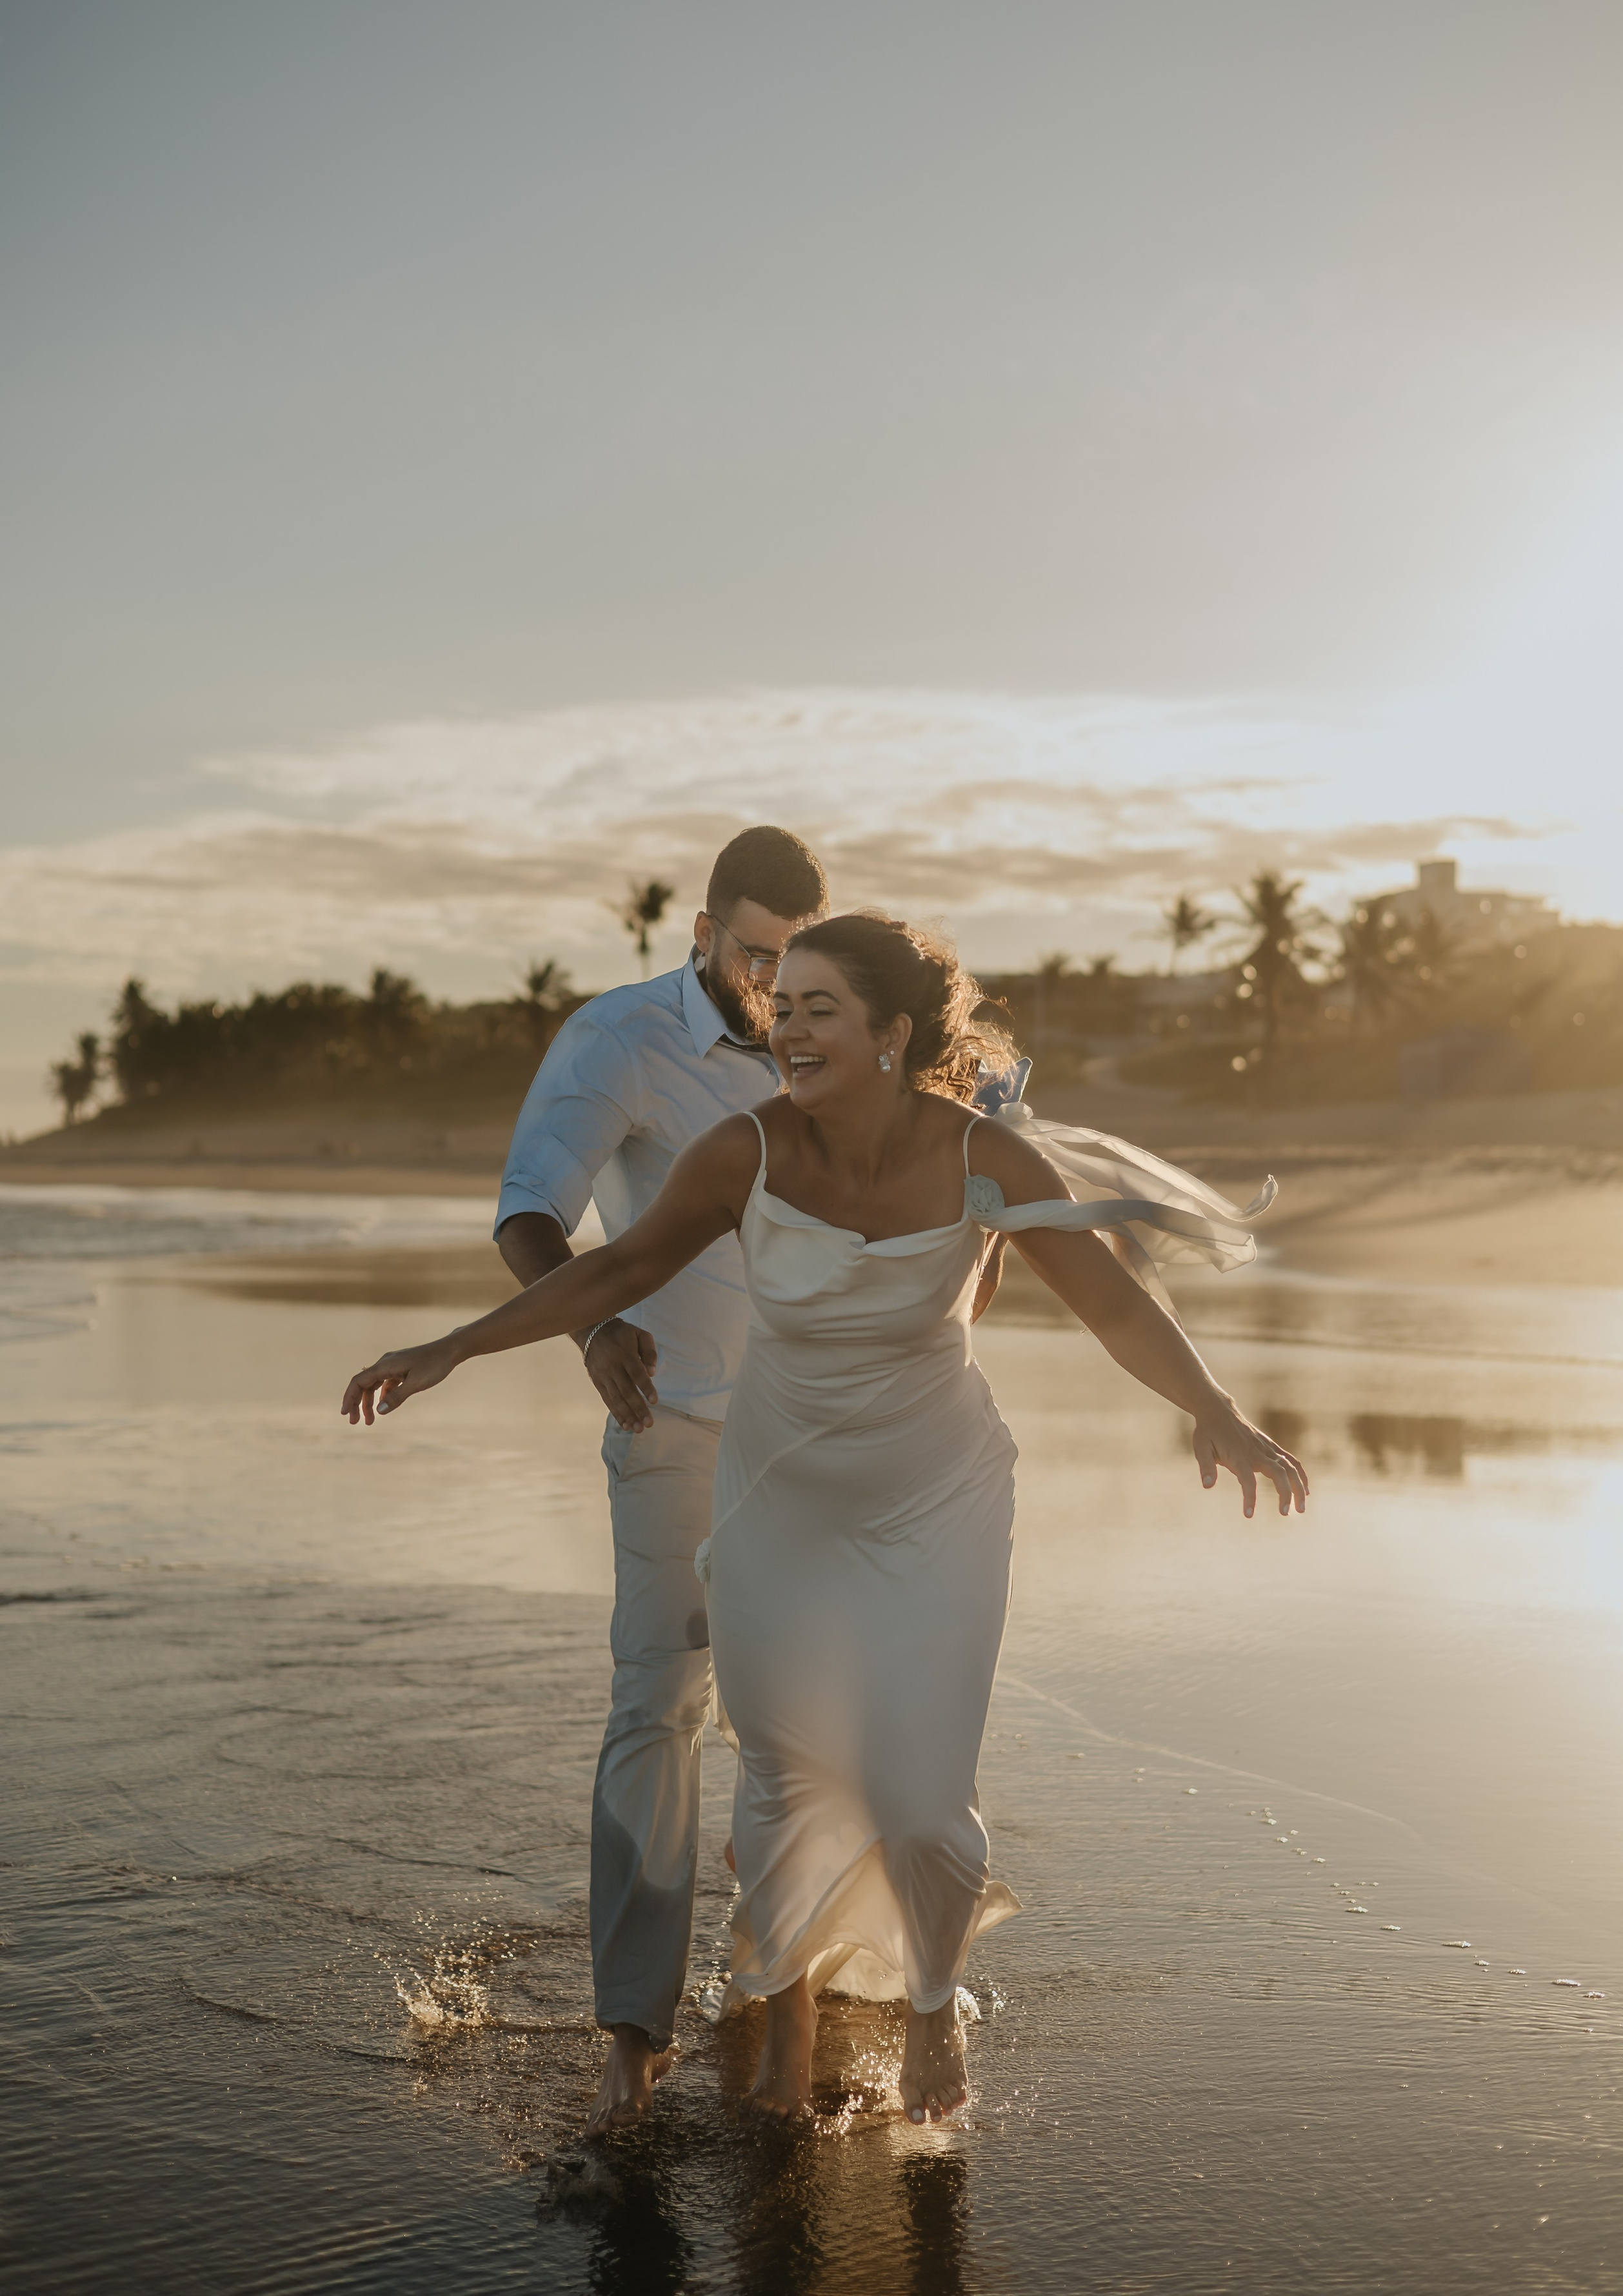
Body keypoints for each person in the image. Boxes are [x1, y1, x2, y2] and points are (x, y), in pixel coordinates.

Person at [344, 912, 1306, 2129]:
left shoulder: (985, 1161)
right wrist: (453, 1347)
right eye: (779, 1007)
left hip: (936, 1496)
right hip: (778, 1500)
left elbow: (1111, 1303)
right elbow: (614, 1269)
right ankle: (786, 2049)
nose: (786, 1031)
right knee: (789, 1780)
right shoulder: (743, 1150)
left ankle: (928, 2001)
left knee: (917, 1792)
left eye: (817, 1011)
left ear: (893, 1036)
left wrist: (1214, 1409)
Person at [492, 824, 829, 2131]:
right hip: (673, 1425)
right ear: (700, 933)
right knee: (658, 1709)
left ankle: (778, 1988)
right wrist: (588, 1324)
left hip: (821, 1442)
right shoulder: (617, 1039)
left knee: (808, 1724)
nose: (772, 983)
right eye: (752, 954)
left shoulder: (835, 1030)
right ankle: (634, 2034)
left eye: (793, 959)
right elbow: (530, 1206)